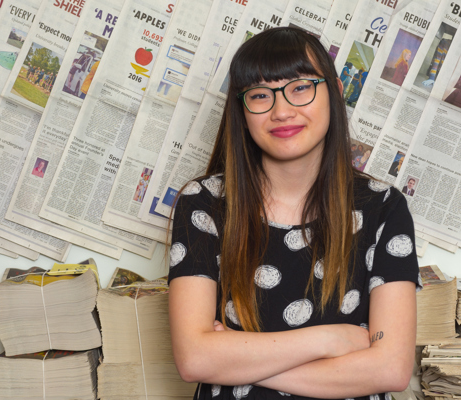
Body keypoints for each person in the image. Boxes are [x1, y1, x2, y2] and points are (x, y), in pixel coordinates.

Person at [168, 27, 420, 400]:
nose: (282, 111)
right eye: (259, 95)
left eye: (300, 87)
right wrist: (331, 339)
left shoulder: (384, 207)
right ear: (242, 109)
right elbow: (193, 360)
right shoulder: (204, 203)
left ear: (334, 91)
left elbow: (391, 369)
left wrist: (235, 360)